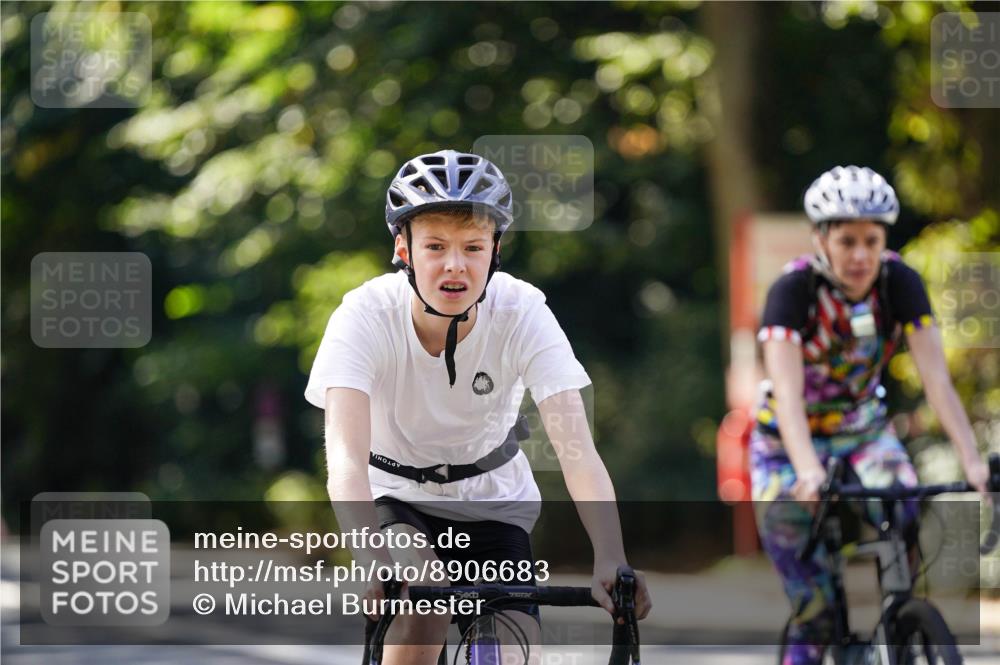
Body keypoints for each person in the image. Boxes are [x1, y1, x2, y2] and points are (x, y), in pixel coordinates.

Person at [305, 149, 650, 664]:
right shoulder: (364, 315)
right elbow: (348, 464)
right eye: (435, 245)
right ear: (403, 248)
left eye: (472, 246)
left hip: (493, 504)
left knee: (511, 653)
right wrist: (369, 558)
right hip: (397, 495)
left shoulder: (522, 310)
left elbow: (577, 452)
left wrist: (611, 557)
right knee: (425, 600)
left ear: (495, 250)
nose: (454, 264)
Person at [749, 165, 988, 665]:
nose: (861, 255)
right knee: (814, 613)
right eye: (847, 241)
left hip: (863, 431)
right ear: (820, 238)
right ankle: (821, 628)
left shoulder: (899, 282)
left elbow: (937, 381)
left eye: (872, 241)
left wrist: (973, 462)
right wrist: (808, 470)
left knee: (902, 497)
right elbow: (788, 397)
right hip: (786, 446)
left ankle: (899, 614)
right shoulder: (791, 293)